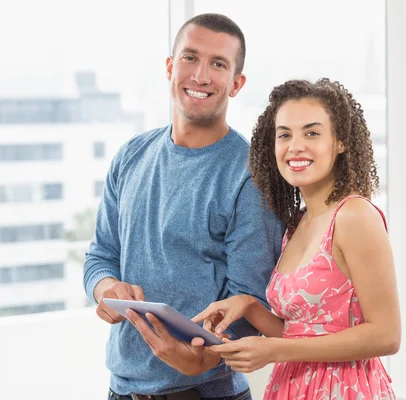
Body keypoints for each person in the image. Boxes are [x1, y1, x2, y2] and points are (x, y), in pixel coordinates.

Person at [83, 13, 284, 400]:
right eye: (190, 58)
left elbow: (252, 302)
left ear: (237, 84)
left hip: (206, 393)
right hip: (120, 390)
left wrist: (207, 360)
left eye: (218, 64)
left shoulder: (250, 175)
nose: (201, 75)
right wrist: (105, 288)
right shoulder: (131, 155)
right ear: (170, 67)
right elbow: (101, 255)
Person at [194, 78, 401, 399]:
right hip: (292, 386)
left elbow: (387, 336)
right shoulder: (297, 223)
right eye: (285, 135)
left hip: (343, 390)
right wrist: (249, 306)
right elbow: (302, 331)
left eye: (312, 133)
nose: (296, 146)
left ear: (341, 142)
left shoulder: (355, 216)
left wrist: (274, 350)